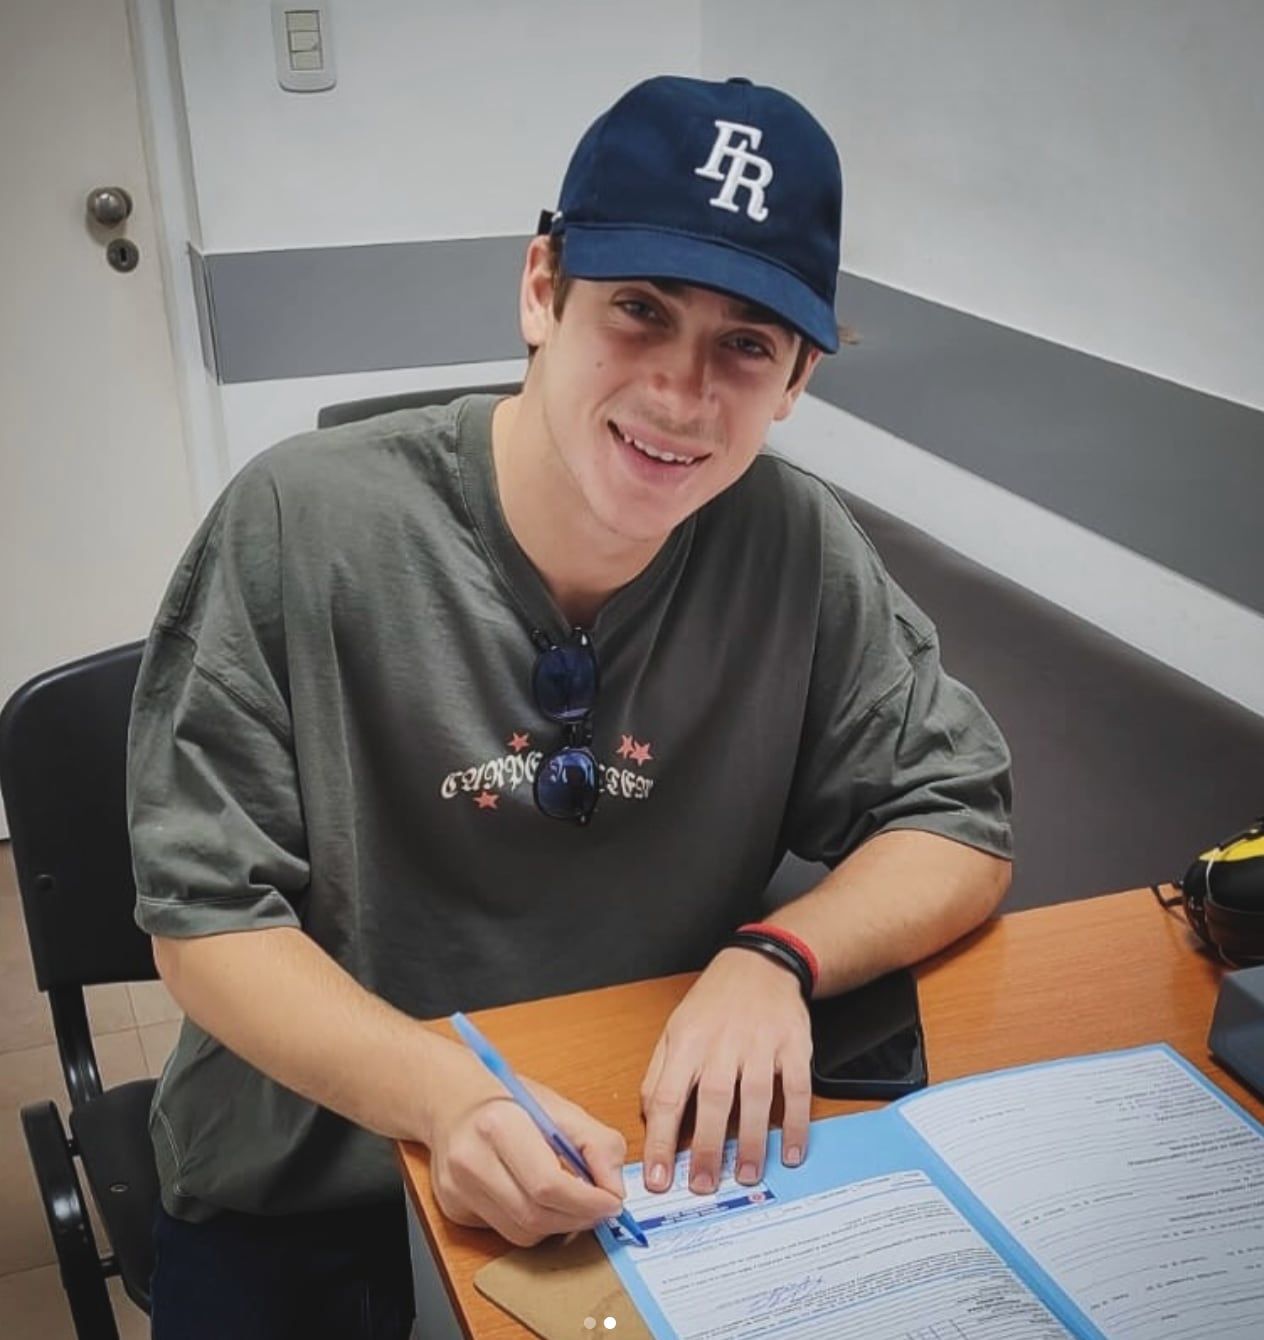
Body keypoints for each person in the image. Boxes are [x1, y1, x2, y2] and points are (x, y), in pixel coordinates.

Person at [127, 74, 1012, 1339]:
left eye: (746, 344)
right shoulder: (302, 523)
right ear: (542, 288)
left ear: (797, 379)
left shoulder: (792, 547)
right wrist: (444, 1096)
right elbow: (206, 921)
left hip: (638, 1160)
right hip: (313, 1178)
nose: (681, 395)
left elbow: (958, 815)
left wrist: (775, 956)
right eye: (639, 310)